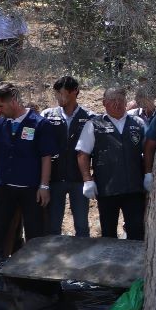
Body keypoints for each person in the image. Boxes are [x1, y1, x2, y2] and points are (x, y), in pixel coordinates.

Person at [0, 83, 57, 256]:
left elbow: (46, 157)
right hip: (3, 187)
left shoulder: (39, 124)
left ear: (14, 102)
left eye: (0, 106)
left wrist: (44, 186)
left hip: (31, 189)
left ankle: (32, 276)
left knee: (35, 234)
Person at [76, 86, 150, 240]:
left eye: (120, 100)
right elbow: (83, 154)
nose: (117, 104)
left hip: (134, 189)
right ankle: (111, 263)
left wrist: (149, 173)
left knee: (137, 231)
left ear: (126, 102)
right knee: (108, 232)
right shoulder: (94, 124)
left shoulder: (138, 123)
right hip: (107, 189)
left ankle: (135, 263)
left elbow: (149, 150)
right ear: (104, 103)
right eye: (112, 100)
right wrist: (87, 180)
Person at [42, 76, 91, 237]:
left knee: (82, 226)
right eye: (56, 94)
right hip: (54, 178)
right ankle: (53, 259)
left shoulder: (89, 117)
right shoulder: (47, 116)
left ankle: (83, 259)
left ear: (74, 91)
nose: (58, 98)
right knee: (52, 225)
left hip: (79, 179)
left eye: (61, 94)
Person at [0, 0, 27, 78]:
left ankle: (5, 83)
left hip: (12, 42)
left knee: (9, 68)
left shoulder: (17, 13)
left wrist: (20, 45)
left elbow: (21, 31)